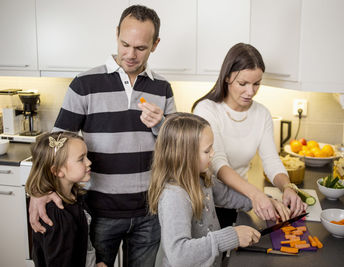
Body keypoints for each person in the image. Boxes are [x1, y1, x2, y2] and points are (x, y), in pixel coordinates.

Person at [28, 5, 176, 267]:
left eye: (141, 48)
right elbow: (55, 146)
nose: (130, 54)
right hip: (98, 212)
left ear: (155, 44)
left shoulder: (162, 88)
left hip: (149, 213)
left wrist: (162, 124)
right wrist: (38, 191)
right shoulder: (85, 84)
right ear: (117, 34)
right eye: (125, 44)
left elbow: (175, 150)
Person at [192, 43, 307, 228]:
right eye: (243, 83)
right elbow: (218, 164)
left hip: (240, 201)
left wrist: (287, 187)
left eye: (256, 84)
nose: (250, 92)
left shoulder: (262, 114)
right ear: (227, 77)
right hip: (208, 204)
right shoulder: (207, 110)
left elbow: (271, 160)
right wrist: (256, 195)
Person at [148, 113, 260, 267]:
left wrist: (262, 201)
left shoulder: (200, 178)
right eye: (207, 151)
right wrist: (232, 236)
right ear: (184, 155)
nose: (213, 153)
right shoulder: (174, 195)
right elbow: (179, 255)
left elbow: (227, 196)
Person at [25, 132, 104, 267]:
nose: (89, 162)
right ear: (57, 171)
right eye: (81, 159)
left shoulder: (75, 196)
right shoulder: (57, 215)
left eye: (87, 156)